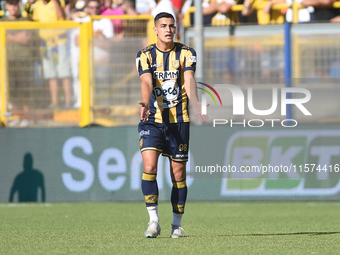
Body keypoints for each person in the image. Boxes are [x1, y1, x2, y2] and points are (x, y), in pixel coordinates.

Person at [136, 12, 208, 238]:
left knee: (178, 173)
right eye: (163, 26)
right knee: (149, 167)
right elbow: (147, 80)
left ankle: (176, 224)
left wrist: (195, 102)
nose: (168, 29)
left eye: (171, 26)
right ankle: (153, 221)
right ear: (155, 29)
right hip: (153, 120)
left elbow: (188, 79)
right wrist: (146, 102)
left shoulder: (187, 53)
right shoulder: (145, 55)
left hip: (179, 121)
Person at [1, 0, 37, 126]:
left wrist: (8, 36)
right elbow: (20, 38)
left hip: (24, 59)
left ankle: (26, 116)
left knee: (25, 89)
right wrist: (17, 37)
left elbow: (26, 39)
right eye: (10, 4)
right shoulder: (2, 21)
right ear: (6, 6)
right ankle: (17, 115)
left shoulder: (25, 21)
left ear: (19, 6)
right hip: (7, 61)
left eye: (15, 4)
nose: (13, 7)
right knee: (12, 90)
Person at [32, 0, 72, 109]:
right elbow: (35, 21)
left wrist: (55, 2)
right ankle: (55, 103)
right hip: (45, 42)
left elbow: (61, 16)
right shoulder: (37, 5)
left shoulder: (58, 2)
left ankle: (68, 101)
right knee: (51, 74)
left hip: (59, 41)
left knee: (64, 72)